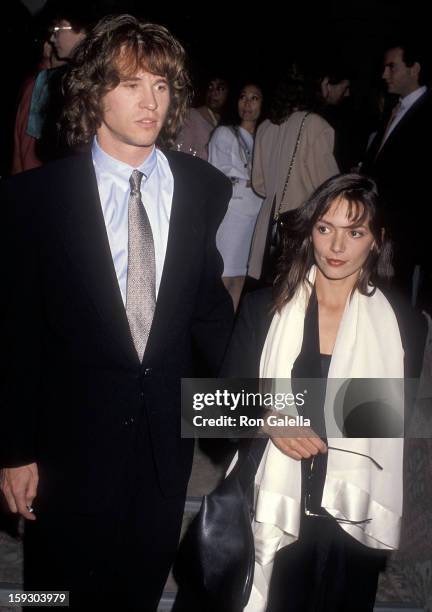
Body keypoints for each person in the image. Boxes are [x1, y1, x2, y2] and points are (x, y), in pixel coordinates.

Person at [0, 14, 233, 611]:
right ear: (93, 91)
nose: (150, 100)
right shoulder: (35, 200)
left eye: (161, 84)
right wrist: (15, 451)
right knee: (51, 594)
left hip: (163, 449)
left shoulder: (205, 188)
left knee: (138, 591)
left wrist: (267, 408)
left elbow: (208, 317)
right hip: (67, 450)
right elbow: (19, 336)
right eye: (131, 83)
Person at [221, 174, 426, 611]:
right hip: (271, 503)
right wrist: (265, 419)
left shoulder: (403, 323)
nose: (336, 247)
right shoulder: (265, 305)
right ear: (310, 230)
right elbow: (210, 411)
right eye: (325, 228)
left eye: (355, 232)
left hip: (351, 516)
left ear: (376, 240)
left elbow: (392, 416)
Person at [248, 66, 339, 282]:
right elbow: (331, 186)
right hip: (301, 226)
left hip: (267, 225)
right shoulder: (316, 125)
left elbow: (259, 184)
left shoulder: (266, 127)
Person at [361, 39, 432, 310]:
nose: (384, 74)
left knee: (399, 305)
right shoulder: (395, 109)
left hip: (408, 234)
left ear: (415, 69)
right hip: (384, 227)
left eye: (392, 67)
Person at [208, 83, 264, 309]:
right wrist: (247, 181)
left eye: (255, 98)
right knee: (225, 275)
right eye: (243, 96)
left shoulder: (267, 136)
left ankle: (232, 331)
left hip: (258, 213)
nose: (248, 103)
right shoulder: (224, 133)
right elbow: (217, 173)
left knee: (243, 278)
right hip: (233, 213)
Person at [174, 75, 229, 159]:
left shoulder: (229, 127)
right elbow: (180, 153)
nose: (213, 92)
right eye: (210, 87)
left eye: (220, 88)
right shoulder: (192, 116)